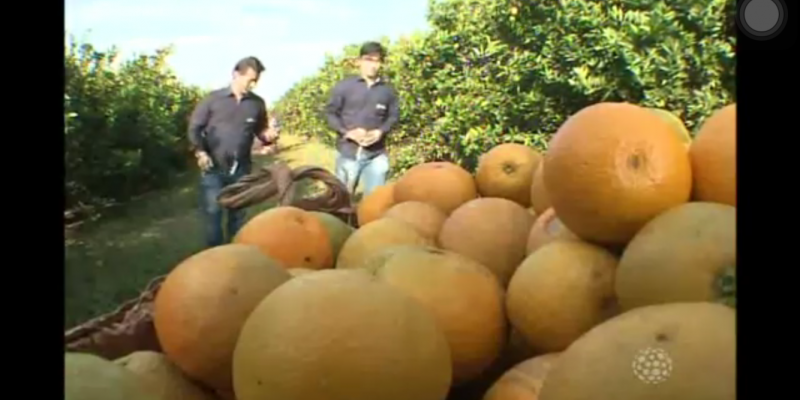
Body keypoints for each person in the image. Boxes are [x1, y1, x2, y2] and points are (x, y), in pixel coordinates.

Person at [187, 56, 277, 248]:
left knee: (238, 217)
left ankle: (236, 258)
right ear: (236, 74)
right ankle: (215, 258)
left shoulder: (257, 103)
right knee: (213, 215)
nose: (253, 85)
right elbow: (194, 128)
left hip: (242, 169)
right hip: (214, 166)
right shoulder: (213, 100)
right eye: (250, 80)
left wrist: (268, 135)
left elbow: (260, 131)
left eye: (256, 81)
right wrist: (201, 152)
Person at [324, 41, 399, 197]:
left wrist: (380, 131)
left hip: (376, 155)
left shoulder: (387, 91)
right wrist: (347, 132)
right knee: (340, 201)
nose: (373, 65)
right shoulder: (345, 87)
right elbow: (330, 113)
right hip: (348, 153)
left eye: (377, 60)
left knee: (375, 202)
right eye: (368, 59)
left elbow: (393, 116)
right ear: (359, 61)